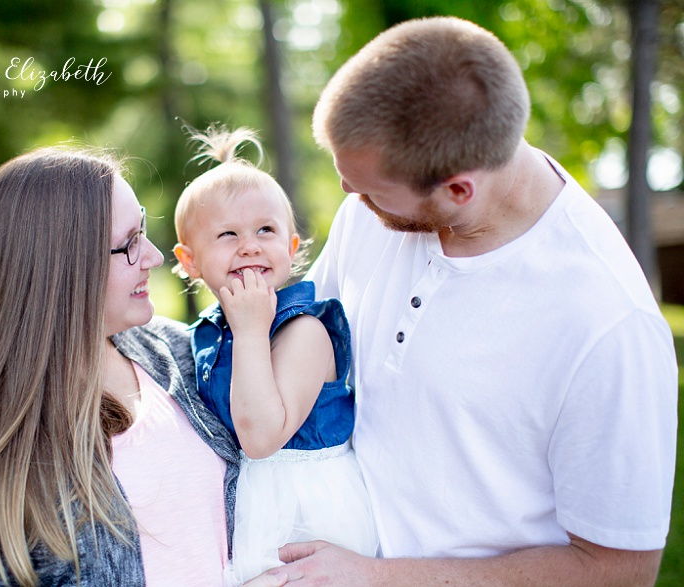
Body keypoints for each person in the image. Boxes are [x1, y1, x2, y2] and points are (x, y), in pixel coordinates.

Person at [257, 16, 678, 587]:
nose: (348, 197)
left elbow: (617, 570)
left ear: (458, 189)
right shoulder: (371, 216)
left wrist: (378, 578)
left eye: (370, 188)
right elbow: (310, 345)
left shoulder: (606, 324)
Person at [0, 146, 244, 587]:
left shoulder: (178, 350)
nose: (153, 256)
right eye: (128, 244)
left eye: (142, 231)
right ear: (59, 267)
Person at [172, 126, 378, 586]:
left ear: (290, 248)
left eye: (265, 230)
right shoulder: (208, 333)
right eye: (227, 234)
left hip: (310, 515)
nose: (249, 245)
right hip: (250, 506)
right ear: (189, 261)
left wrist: (250, 330)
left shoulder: (304, 330)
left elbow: (262, 438)